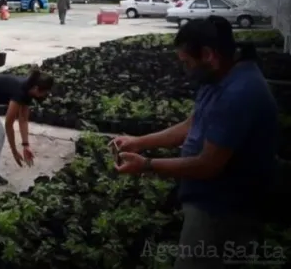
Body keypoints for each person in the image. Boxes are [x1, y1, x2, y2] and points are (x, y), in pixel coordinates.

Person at [113, 16, 278, 269]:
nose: (186, 70)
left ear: (209, 54)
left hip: (223, 211)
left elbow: (207, 165)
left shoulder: (239, 94)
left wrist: (145, 164)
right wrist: (139, 142)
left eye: (187, 62)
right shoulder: (220, 75)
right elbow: (193, 123)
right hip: (207, 200)